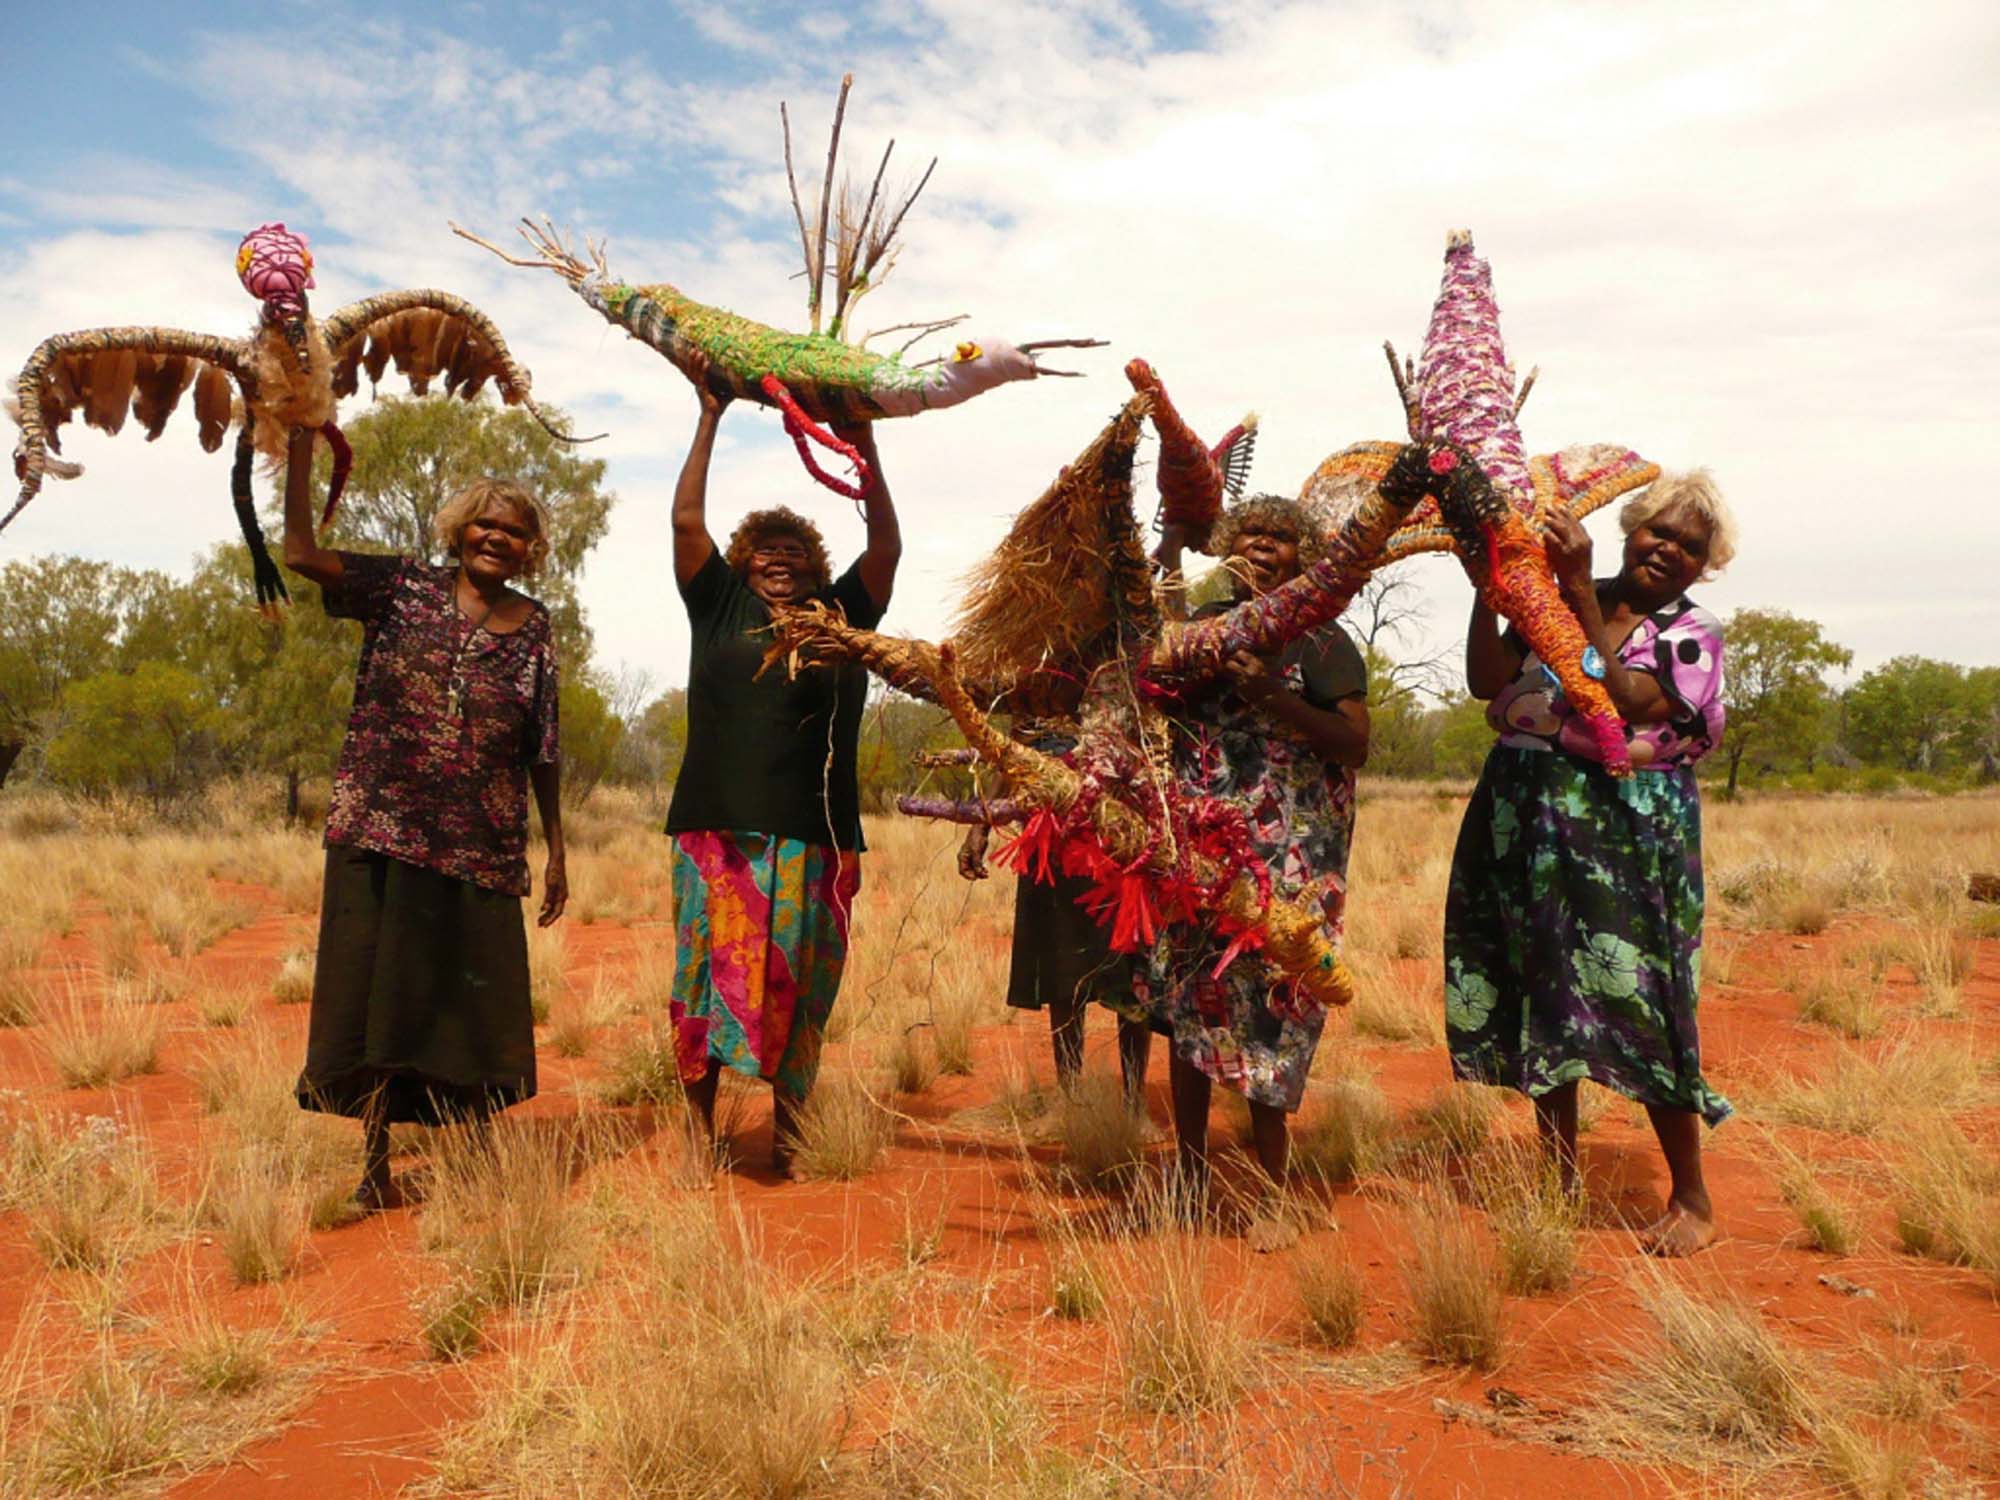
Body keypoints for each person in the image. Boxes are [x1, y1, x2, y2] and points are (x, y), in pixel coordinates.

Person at [1446, 470, 1737, 1256]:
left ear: (1706, 563)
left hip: (1629, 828)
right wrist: (1493, 584)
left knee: (1645, 991)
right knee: (1544, 986)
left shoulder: (1690, 629)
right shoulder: (1549, 592)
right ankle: (1558, 1177)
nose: (1669, 551)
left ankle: (1693, 1198)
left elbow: (1631, 700)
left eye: (1690, 545)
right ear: (1630, 529)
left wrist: (1572, 587)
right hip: (1525, 809)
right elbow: (1487, 682)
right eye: (1658, 533)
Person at [282, 427, 566, 1212]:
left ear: (529, 548)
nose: (496, 538)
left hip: (480, 840)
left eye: (513, 530)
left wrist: (558, 849)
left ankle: (474, 1155)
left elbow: (543, 740)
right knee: (382, 999)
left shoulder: (534, 626)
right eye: (485, 523)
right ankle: (374, 1161)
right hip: (382, 828)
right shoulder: (400, 587)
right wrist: (301, 445)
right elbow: (302, 553)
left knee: (470, 999)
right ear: (458, 530)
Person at [665, 352, 900, 1175]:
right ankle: (700, 1139)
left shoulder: (840, 616)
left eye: (795, 550)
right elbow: (686, 523)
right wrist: (711, 414)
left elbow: (885, 544)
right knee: (706, 983)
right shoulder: (718, 605)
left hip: (817, 837)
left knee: (801, 986)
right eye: (765, 548)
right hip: (718, 831)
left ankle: (790, 1136)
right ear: (742, 560)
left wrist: (861, 443)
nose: (781, 559)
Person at [1144, 499, 1370, 1246]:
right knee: (1189, 1002)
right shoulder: (1203, 626)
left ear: (1303, 555)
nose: (1261, 549)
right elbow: (1148, 665)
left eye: (1277, 540)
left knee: (1277, 1005)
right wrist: (1169, 549)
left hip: (1292, 861)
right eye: (1248, 537)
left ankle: (1274, 1192)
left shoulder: (1322, 639)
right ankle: (1188, 1172)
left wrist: (1270, 693)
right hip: (1199, 852)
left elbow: (1354, 744)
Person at [956, 682, 1152, 1104]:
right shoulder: (1034, 686)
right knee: (1063, 976)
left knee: (1129, 974)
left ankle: (1134, 1102)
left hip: (1120, 840)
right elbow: (1007, 757)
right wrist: (979, 828)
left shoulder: (1122, 673)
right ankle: (1070, 1100)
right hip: (1051, 843)